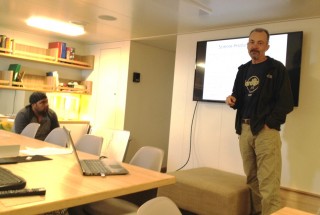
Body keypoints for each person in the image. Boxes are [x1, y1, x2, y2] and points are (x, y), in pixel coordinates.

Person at [225, 28, 294, 215]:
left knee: (268, 183)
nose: (255, 46)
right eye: (252, 42)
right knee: (252, 179)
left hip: (266, 132)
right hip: (244, 130)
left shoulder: (277, 69)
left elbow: (286, 102)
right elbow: (238, 97)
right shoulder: (243, 70)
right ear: (248, 45)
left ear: (267, 46)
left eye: (260, 43)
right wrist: (231, 99)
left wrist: (269, 123)